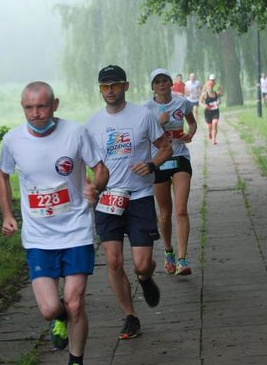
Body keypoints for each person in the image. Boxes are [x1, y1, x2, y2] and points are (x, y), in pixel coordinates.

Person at [0, 81, 109, 365]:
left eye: (42, 106)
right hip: (39, 237)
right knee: (50, 309)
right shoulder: (13, 140)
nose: (35, 114)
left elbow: (100, 168)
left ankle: (75, 362)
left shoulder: (75, 133)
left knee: (74, 302)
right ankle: (58, 318)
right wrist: (7, 215)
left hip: (76, 231)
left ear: (55, 105)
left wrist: (95, 187)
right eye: (29, 108)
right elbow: (2, 174)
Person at [86, 65, 173, 340]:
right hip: (109, 198)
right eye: (104, 86)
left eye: (115, 85)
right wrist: (91, 188)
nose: (110, 90)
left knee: (141, 264)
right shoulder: (92, 123)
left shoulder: (143, 115)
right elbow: (88, 163)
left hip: (139, 197)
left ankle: (145, 277)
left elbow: (166, 147)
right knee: (113, 261)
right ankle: (130, 316)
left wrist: (151, 164)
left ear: (126, 86)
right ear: (100, 90)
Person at [144, 68, 197, 276]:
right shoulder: (146, 109)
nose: (162, 85)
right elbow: (142, 135)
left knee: (181, 209)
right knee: (165, 214)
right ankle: (169, 252)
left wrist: (190, 134)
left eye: (165, 81)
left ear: (171, 83)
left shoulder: (182, 103)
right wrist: (158, 123)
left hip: (180, 157)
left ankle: (182, 260)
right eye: (158, 82)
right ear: (153, 87)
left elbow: (192, 123)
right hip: (159, 160)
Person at [200, 79, 221, 145]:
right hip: (208, 112)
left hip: (215, 111)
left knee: (215, 123)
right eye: (209, 86)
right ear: (207, 86)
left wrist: (219, 102)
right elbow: (200, 102)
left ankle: (214, 139)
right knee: (210, 127)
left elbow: (219, 101)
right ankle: (209, 133)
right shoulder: (204, 94)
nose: (210, 87)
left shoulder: (216, 93)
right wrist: (204, 105)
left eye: (211, 86)